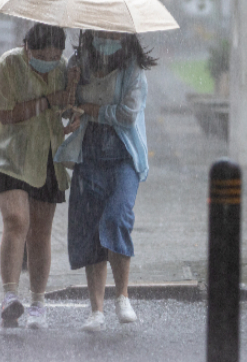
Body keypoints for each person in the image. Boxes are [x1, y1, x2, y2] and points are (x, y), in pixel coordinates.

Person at [0, 23, 79, 329]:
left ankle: (38, 301)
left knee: (40, 232)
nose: (49, 62)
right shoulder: (9, 64)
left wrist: (71, 98)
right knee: (16, 220)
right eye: (43, 56)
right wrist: (48, 100)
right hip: (8, 154)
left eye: (55, 56)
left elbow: (65, 109)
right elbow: (6, 113)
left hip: (46, 154)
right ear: (28, 49)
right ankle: (10, 296)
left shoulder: (63, 68)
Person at [55, 29, 156, 332]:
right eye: (100, 32)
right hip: (89, 157)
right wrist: (72, 86)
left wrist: (87, 109)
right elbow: (65, 110)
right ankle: (95, 309)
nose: (106, 37)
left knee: (116, 218)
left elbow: (127, 115)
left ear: (124, 37)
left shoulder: (133, 70)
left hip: (123, 159)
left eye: (113, 33)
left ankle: (122, 295)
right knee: (88, 228)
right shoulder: (79, 61)